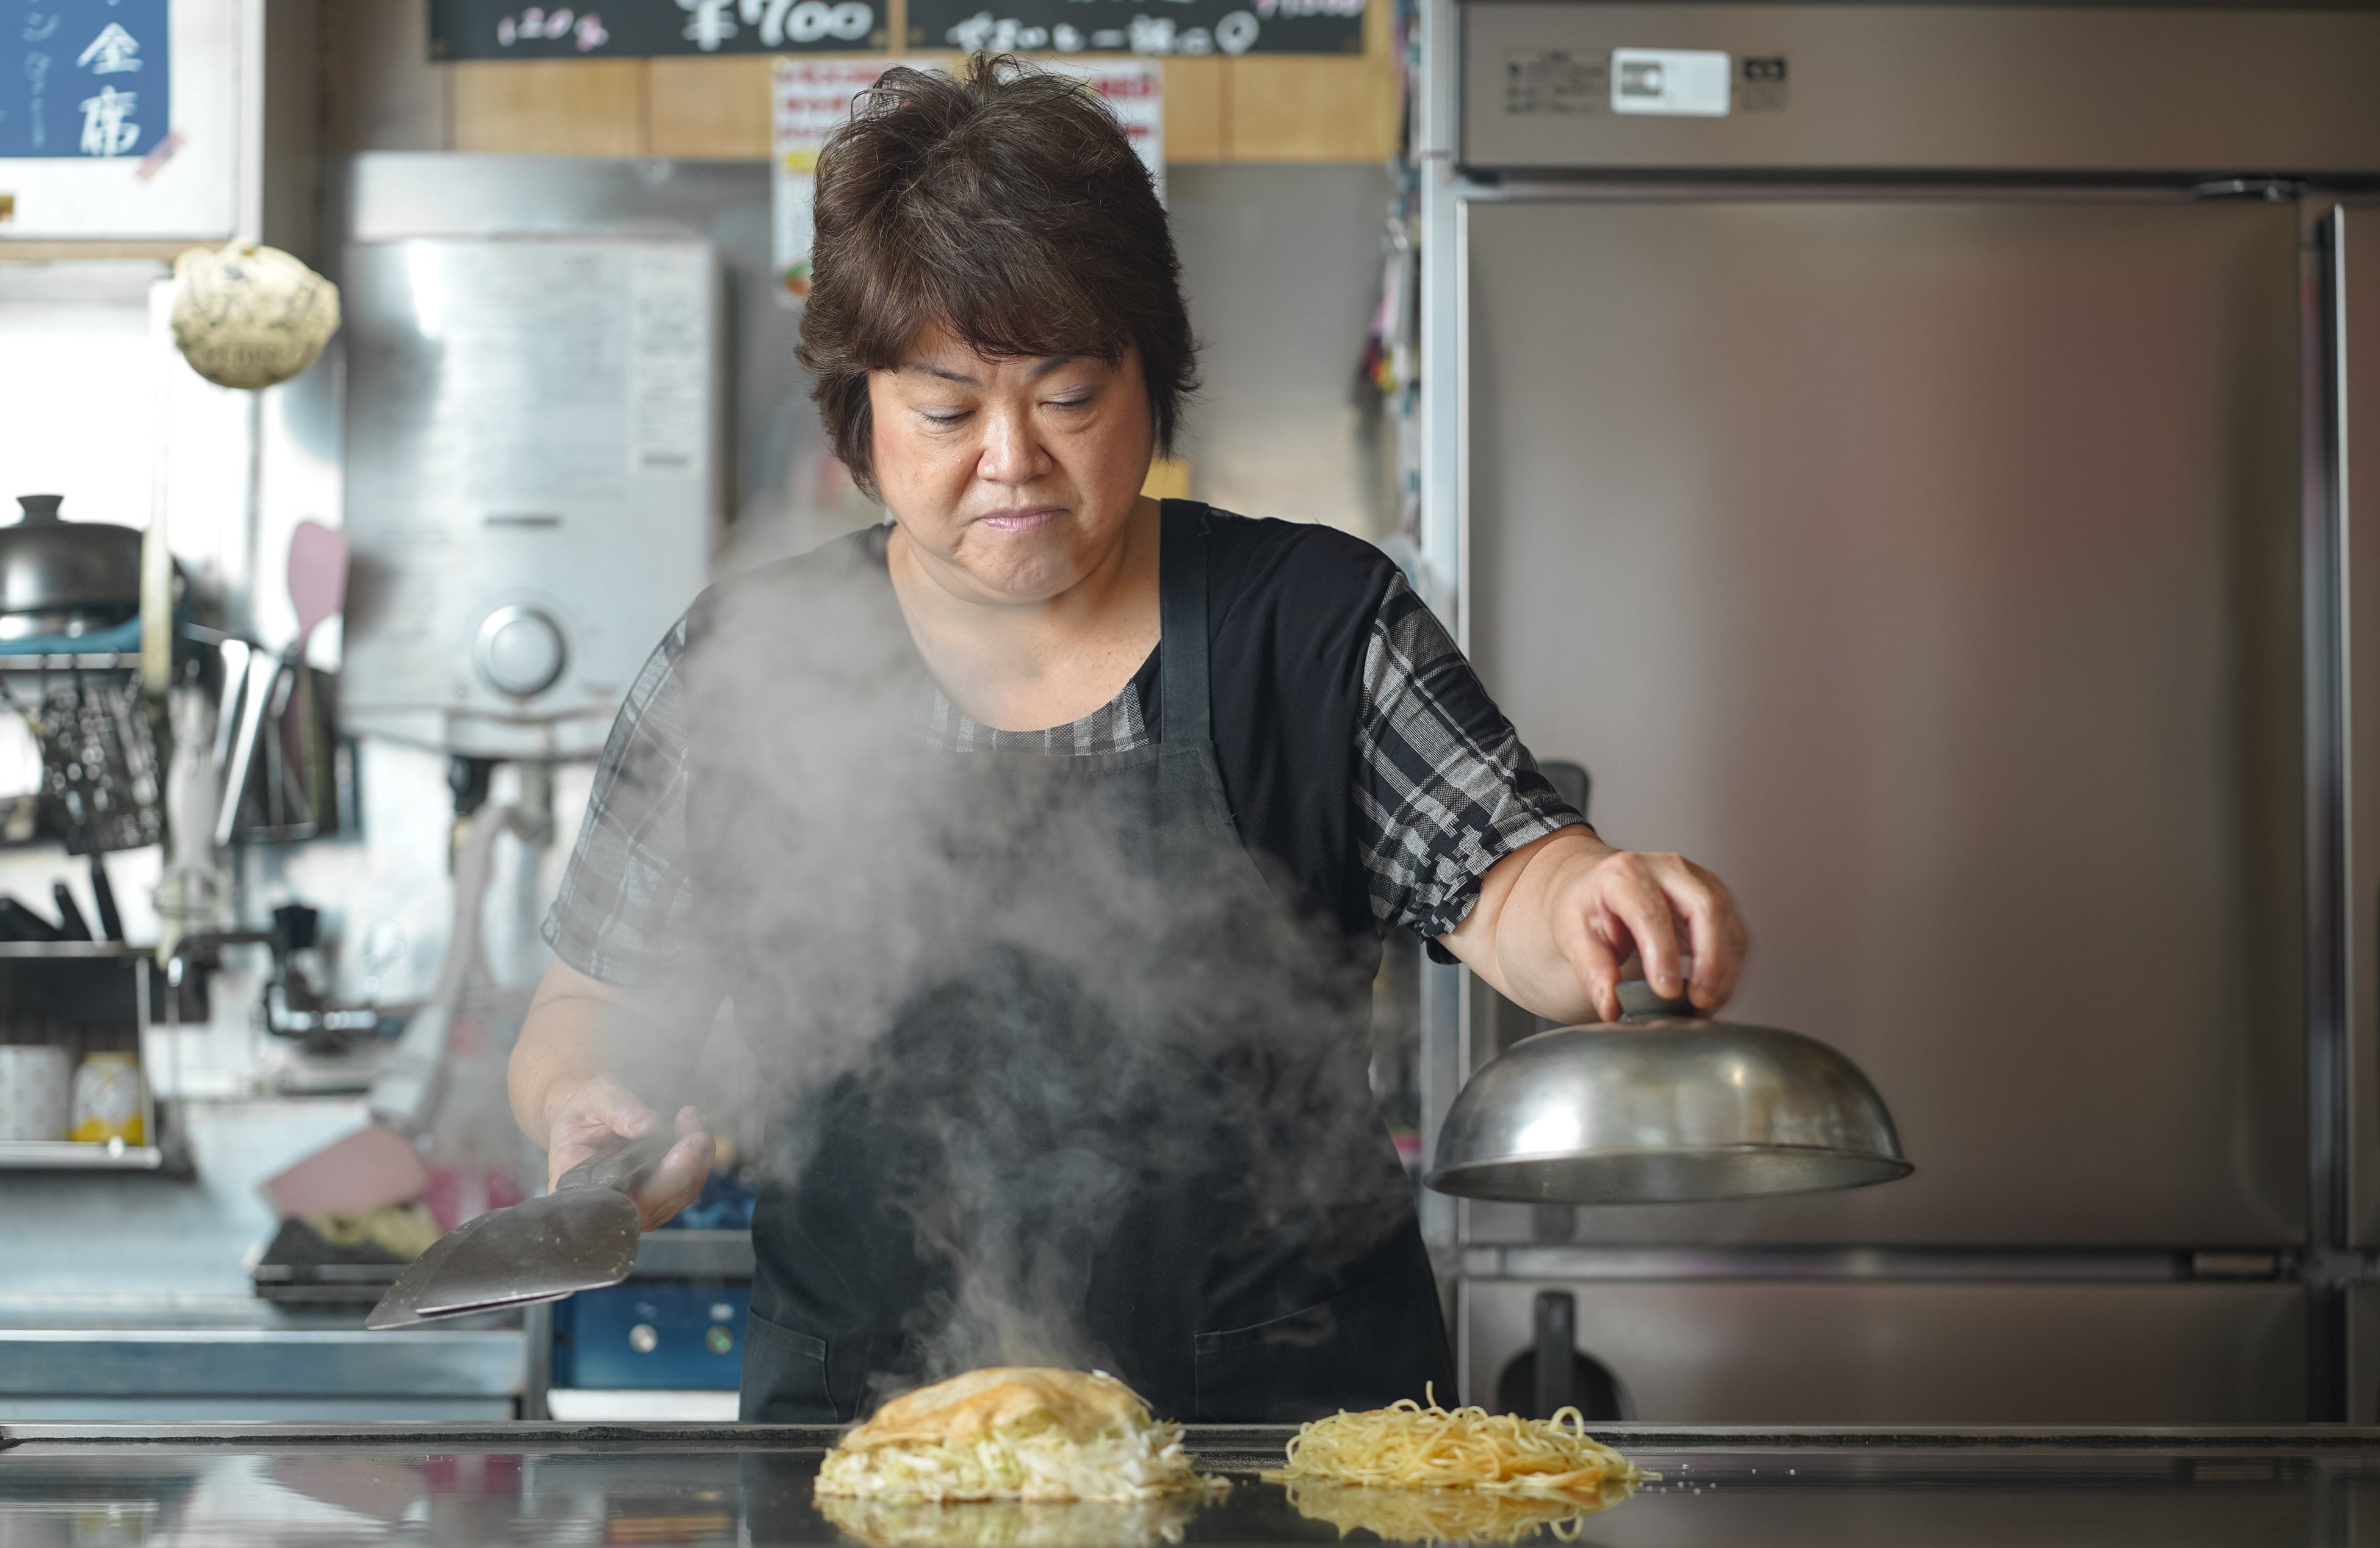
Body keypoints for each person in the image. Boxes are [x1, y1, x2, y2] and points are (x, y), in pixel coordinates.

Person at [508, 56, 1748, 1424]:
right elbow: (589, 1009)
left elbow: (1511, 881)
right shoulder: (740, 667)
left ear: (1152, 381)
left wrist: (1597, 903)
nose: (1013, 458)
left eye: (1068, 394)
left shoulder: (1320, 624)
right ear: (860, 412)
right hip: (866, 1452)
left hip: (1296, 1451)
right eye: (947, 408)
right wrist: (592, 1101)